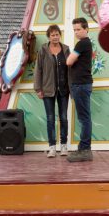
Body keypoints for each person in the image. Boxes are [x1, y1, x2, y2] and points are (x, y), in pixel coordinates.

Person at [34, 25, 70, 158]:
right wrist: (38, 88)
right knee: (50, 119)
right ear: (48, 36)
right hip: (48, 89)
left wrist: (71, 87)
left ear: (60, 35)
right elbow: (38, 70)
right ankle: (52, 147)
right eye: (53, 35)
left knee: (64, 118)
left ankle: (64, 146)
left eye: (57, 34)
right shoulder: (43, 50)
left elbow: (70, 70)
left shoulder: (66, 49)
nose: (55, 37)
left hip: (64, 89)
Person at [66, 17, 94, 162]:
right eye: (74, 30)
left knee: (84, 119)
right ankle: (84, 148)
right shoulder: (85, 43)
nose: (76, 32)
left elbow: (69, 61)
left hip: (81, 85)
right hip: (82, 85)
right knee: (85, 118)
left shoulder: (82, 43)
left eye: (78, 29)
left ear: (86, 29)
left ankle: (84, 150)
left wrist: (71, 55)